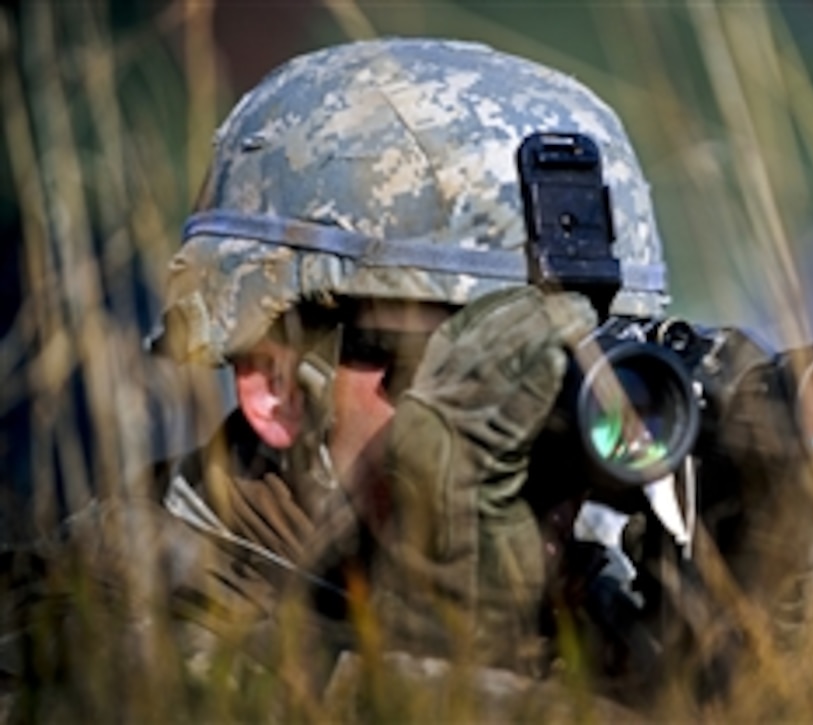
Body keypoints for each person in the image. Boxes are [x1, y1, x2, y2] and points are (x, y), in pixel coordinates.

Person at [140, 37, 670, 687]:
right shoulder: (109, 645)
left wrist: (731, 611)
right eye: (473, 368)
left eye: (582, 369)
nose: (537, 420)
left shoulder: (598, 601)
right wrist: (456, 627)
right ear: (277, 384)